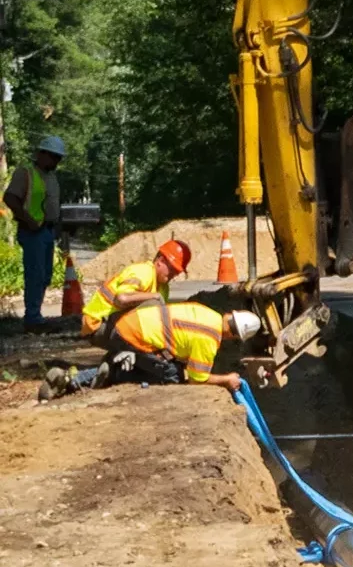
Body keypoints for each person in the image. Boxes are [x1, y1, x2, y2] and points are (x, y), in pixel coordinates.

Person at [36, 300, 265, 401]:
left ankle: (71, 376)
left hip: (127, 324)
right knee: (173, 376)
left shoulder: (205, 312)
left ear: (230, 315)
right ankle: (113, 372)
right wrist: (227, 379)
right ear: (235, 336)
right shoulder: (209, 339)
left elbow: (176, 341)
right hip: (135, 337)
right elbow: (197, 379)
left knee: (169, 366)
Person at [7, 135, 66, 332]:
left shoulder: (51, 176)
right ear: (41, 154)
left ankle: (36, 315)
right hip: (33, 231)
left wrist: (58, 227)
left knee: (46, 275)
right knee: (35, 274)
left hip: (47, 230)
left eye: (59, 158)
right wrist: (28, 220)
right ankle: (32, 318)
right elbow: (10, 198)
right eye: (53, 157)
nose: (56, 161)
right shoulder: (25, 173)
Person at [79, 239, 191, 339]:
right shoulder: (143, 271)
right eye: (173, 269)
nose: (174, 274)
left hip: (113, 323)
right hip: (96, 324)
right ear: (160, 261)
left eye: (177, 272)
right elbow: (121, 298)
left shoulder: (163, 288)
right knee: (153, 304)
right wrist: (154, 296)